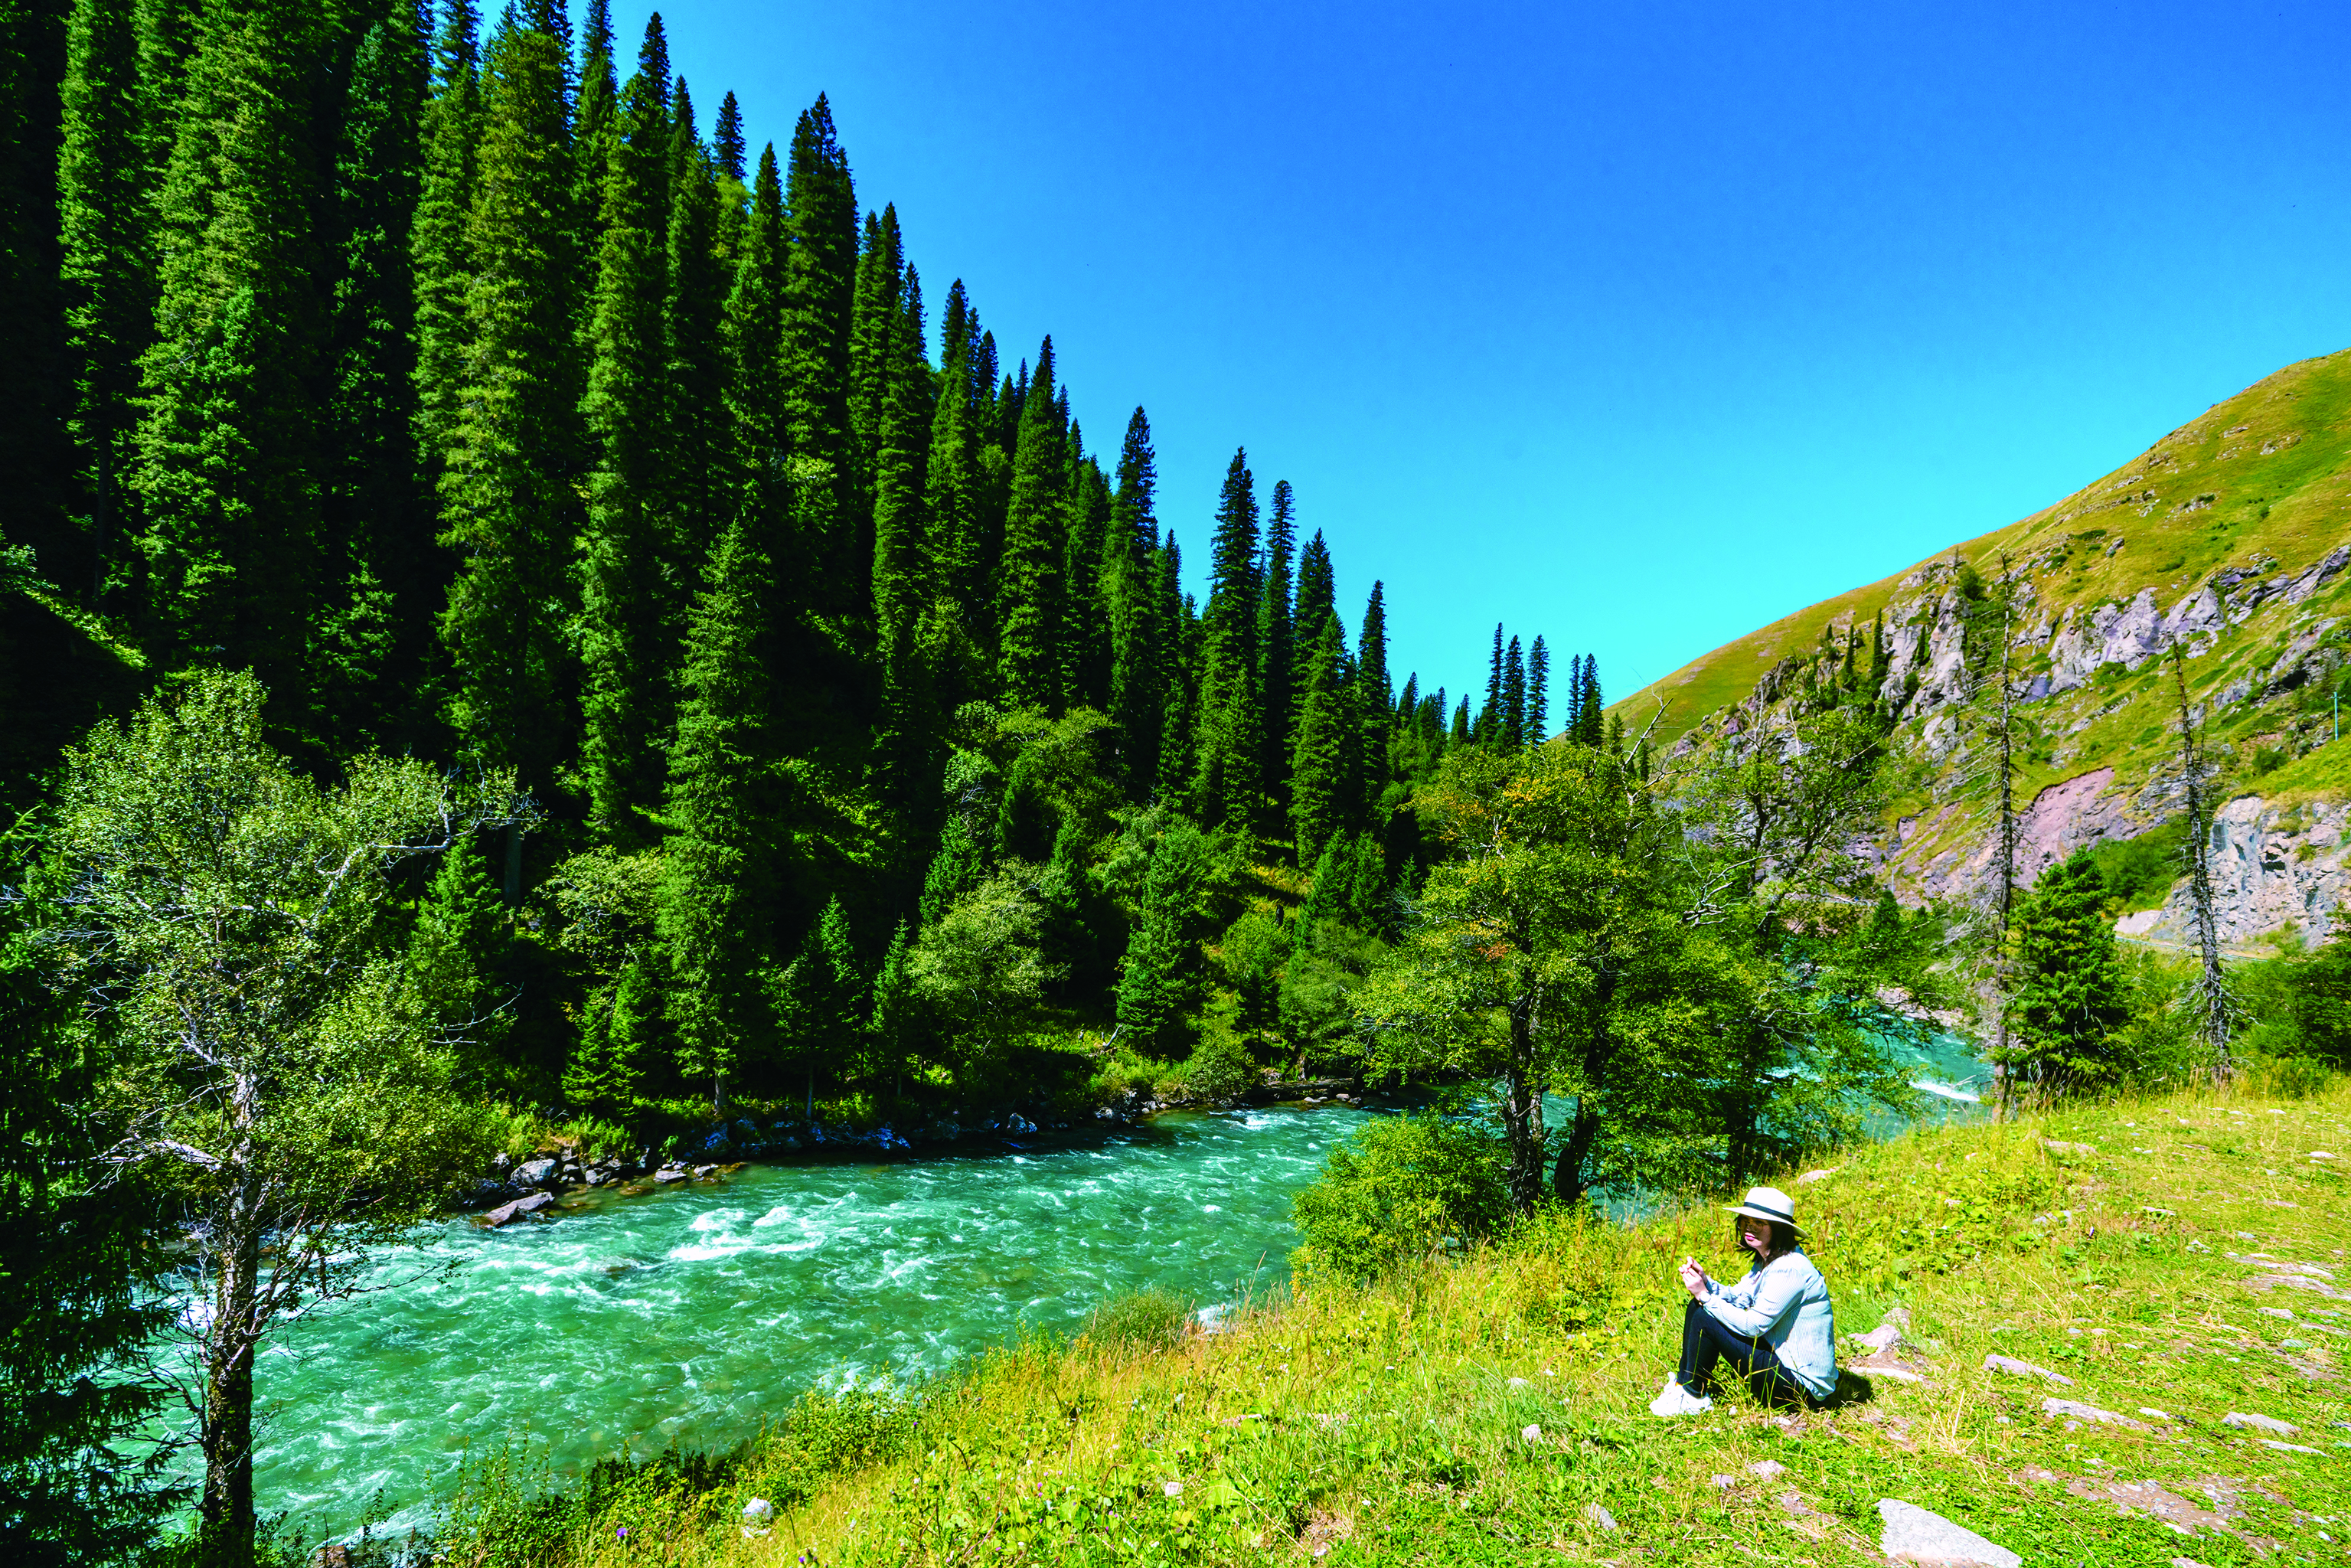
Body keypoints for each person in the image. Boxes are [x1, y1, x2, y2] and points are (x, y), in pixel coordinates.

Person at [1649, 1186, 1836, 1416]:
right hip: (1783, 1364)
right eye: (1746, 1220)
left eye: (1760, 1223)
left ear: (1779, 1229)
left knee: (1706, 1314)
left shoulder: (1790, 1269)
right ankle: (1685, 1386)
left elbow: (1753, 1326)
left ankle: (1692, 1396)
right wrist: (1706, 1283)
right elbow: (1740, 1298)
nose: (1749, 1227)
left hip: (1801, 1388)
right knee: (1699, 1307)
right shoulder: (1768, 1260)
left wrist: (1704, 1296)